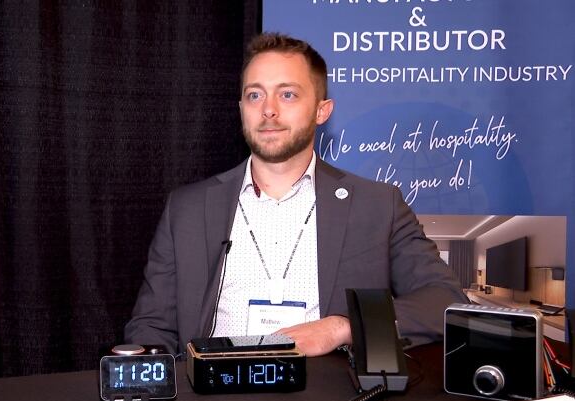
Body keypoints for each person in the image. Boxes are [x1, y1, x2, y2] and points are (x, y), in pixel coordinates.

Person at [124, 32, 466, 357]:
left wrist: (343, 327)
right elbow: (151, 328)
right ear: (241, 107)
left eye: (287, 94)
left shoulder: (378, 206)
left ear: (322, 110)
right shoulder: (187, 209)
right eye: (255, 95)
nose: (268, 109)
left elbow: (445, 301)